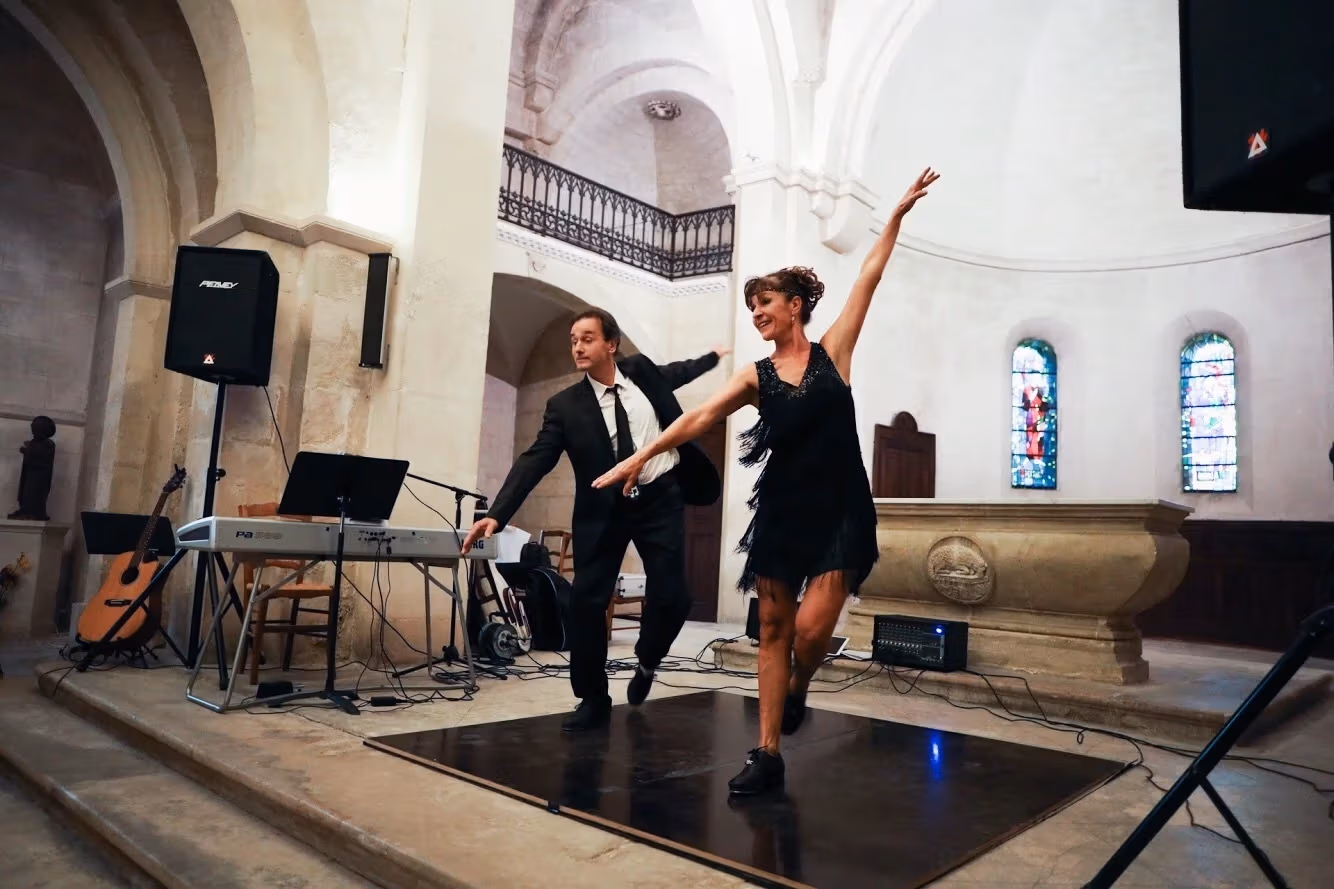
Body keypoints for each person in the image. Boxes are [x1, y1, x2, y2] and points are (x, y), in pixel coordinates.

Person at [594, 168, 940, 794]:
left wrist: (893, 217)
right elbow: (699, 417)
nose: (756, 313)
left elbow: (868, 276)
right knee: (774, 630)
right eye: (751, 306)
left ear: (794, 306)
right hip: (782, 509)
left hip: (841, 508)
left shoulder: (834, 351)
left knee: (811, 632)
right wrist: (636, 459)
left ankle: (800, 684)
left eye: (765, 303)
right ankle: (767, 751)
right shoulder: (755, 376)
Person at [462, 307, 729, 732]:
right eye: (573, 340)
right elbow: (535, 460)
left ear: (611, 344)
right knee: (586, 601)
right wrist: (497, 514)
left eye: (587, 338)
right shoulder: (564, 406)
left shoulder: (641, 372)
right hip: (604, 509)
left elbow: (677, 372)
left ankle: (647, 660)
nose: (578, 347)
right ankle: (592, 698)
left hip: (660, 498)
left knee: (674, 597)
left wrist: (711, 358)